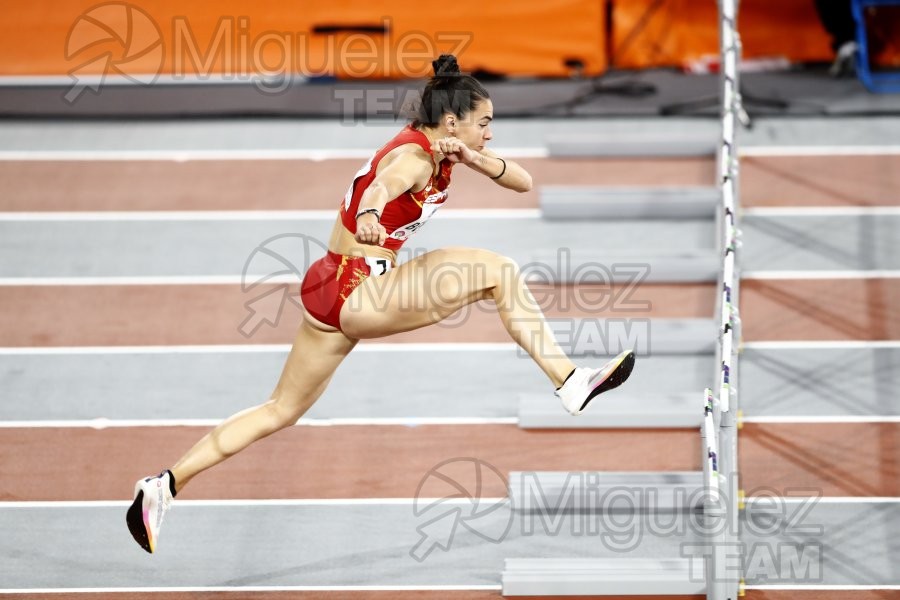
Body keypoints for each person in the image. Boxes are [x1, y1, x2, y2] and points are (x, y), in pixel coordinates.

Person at [126, 54, 635, 554]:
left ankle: (164, 485)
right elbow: (383, 183)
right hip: (358, 287)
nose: (491, 133)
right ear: (452, 120)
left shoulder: (444, 153)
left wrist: (473, 158)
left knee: (280, 409)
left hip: (329, 289)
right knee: (499, 271)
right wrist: (370, 212)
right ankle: (569, 381)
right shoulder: (413, 157)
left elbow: (523, 182)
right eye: (485, 123)